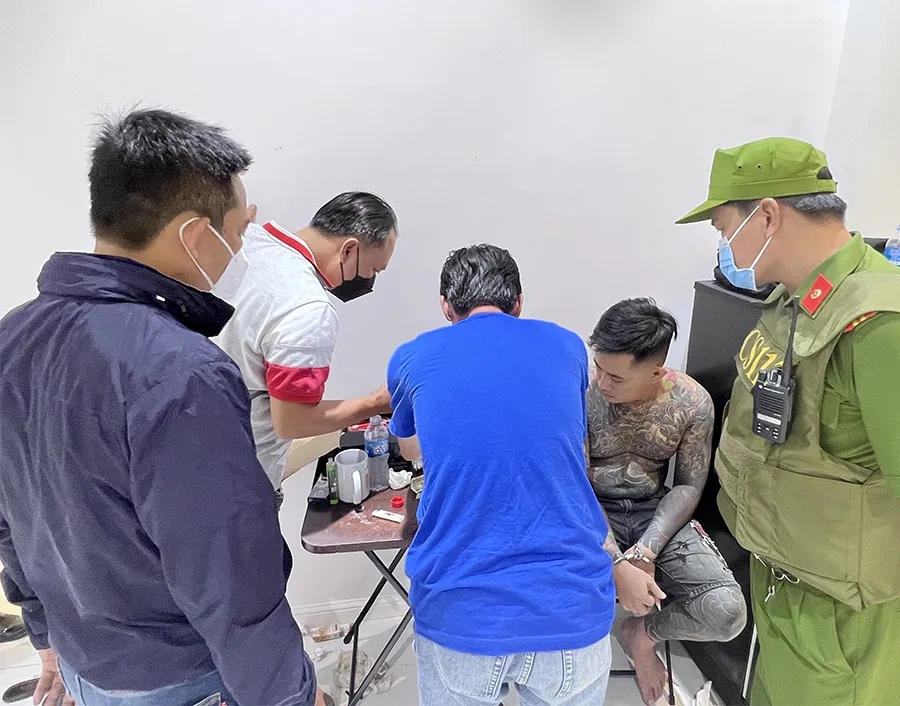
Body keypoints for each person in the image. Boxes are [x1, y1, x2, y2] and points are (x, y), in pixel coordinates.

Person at [0, 109, 321, 706]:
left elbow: (10, 511)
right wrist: (289, 694)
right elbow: (228, 573)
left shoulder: (12, 337)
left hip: (83, 660)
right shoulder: (180, 371)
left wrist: (45, 632)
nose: (240, 248)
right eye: (238, 230)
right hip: (179, 674)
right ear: (195, 235)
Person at [676, 136, 900, 705]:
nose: (725, 246)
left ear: (767, 215)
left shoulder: (884, 326)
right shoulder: (797, 300)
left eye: (725, 228)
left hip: (842, 616)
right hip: (785, 580)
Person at [386, 244, 616, 706]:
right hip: (572, 608)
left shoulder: (412, 356)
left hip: (460, 613)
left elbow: (410, 448)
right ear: (518, 303)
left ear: (446, 308)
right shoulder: (569, 345)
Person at [586, 297, 747, 705]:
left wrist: (647, 550)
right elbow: (573, 487)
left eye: (616, 378)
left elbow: (689, 486)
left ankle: (642, 634)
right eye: (599, 368)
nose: (603, 383)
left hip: (652, 510)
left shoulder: (691, 402)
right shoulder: (579, 393)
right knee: (556, 593)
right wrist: (616, 560)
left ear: (656, 372)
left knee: (727, 612)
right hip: (587, 511)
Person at [215, 192, 396, 500]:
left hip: (187, 452)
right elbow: (291, 421)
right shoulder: (308, 308)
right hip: (240, 485)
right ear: (349, 249)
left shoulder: (248, 238)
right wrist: (376, 402)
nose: (370, 280)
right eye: (374, 270)